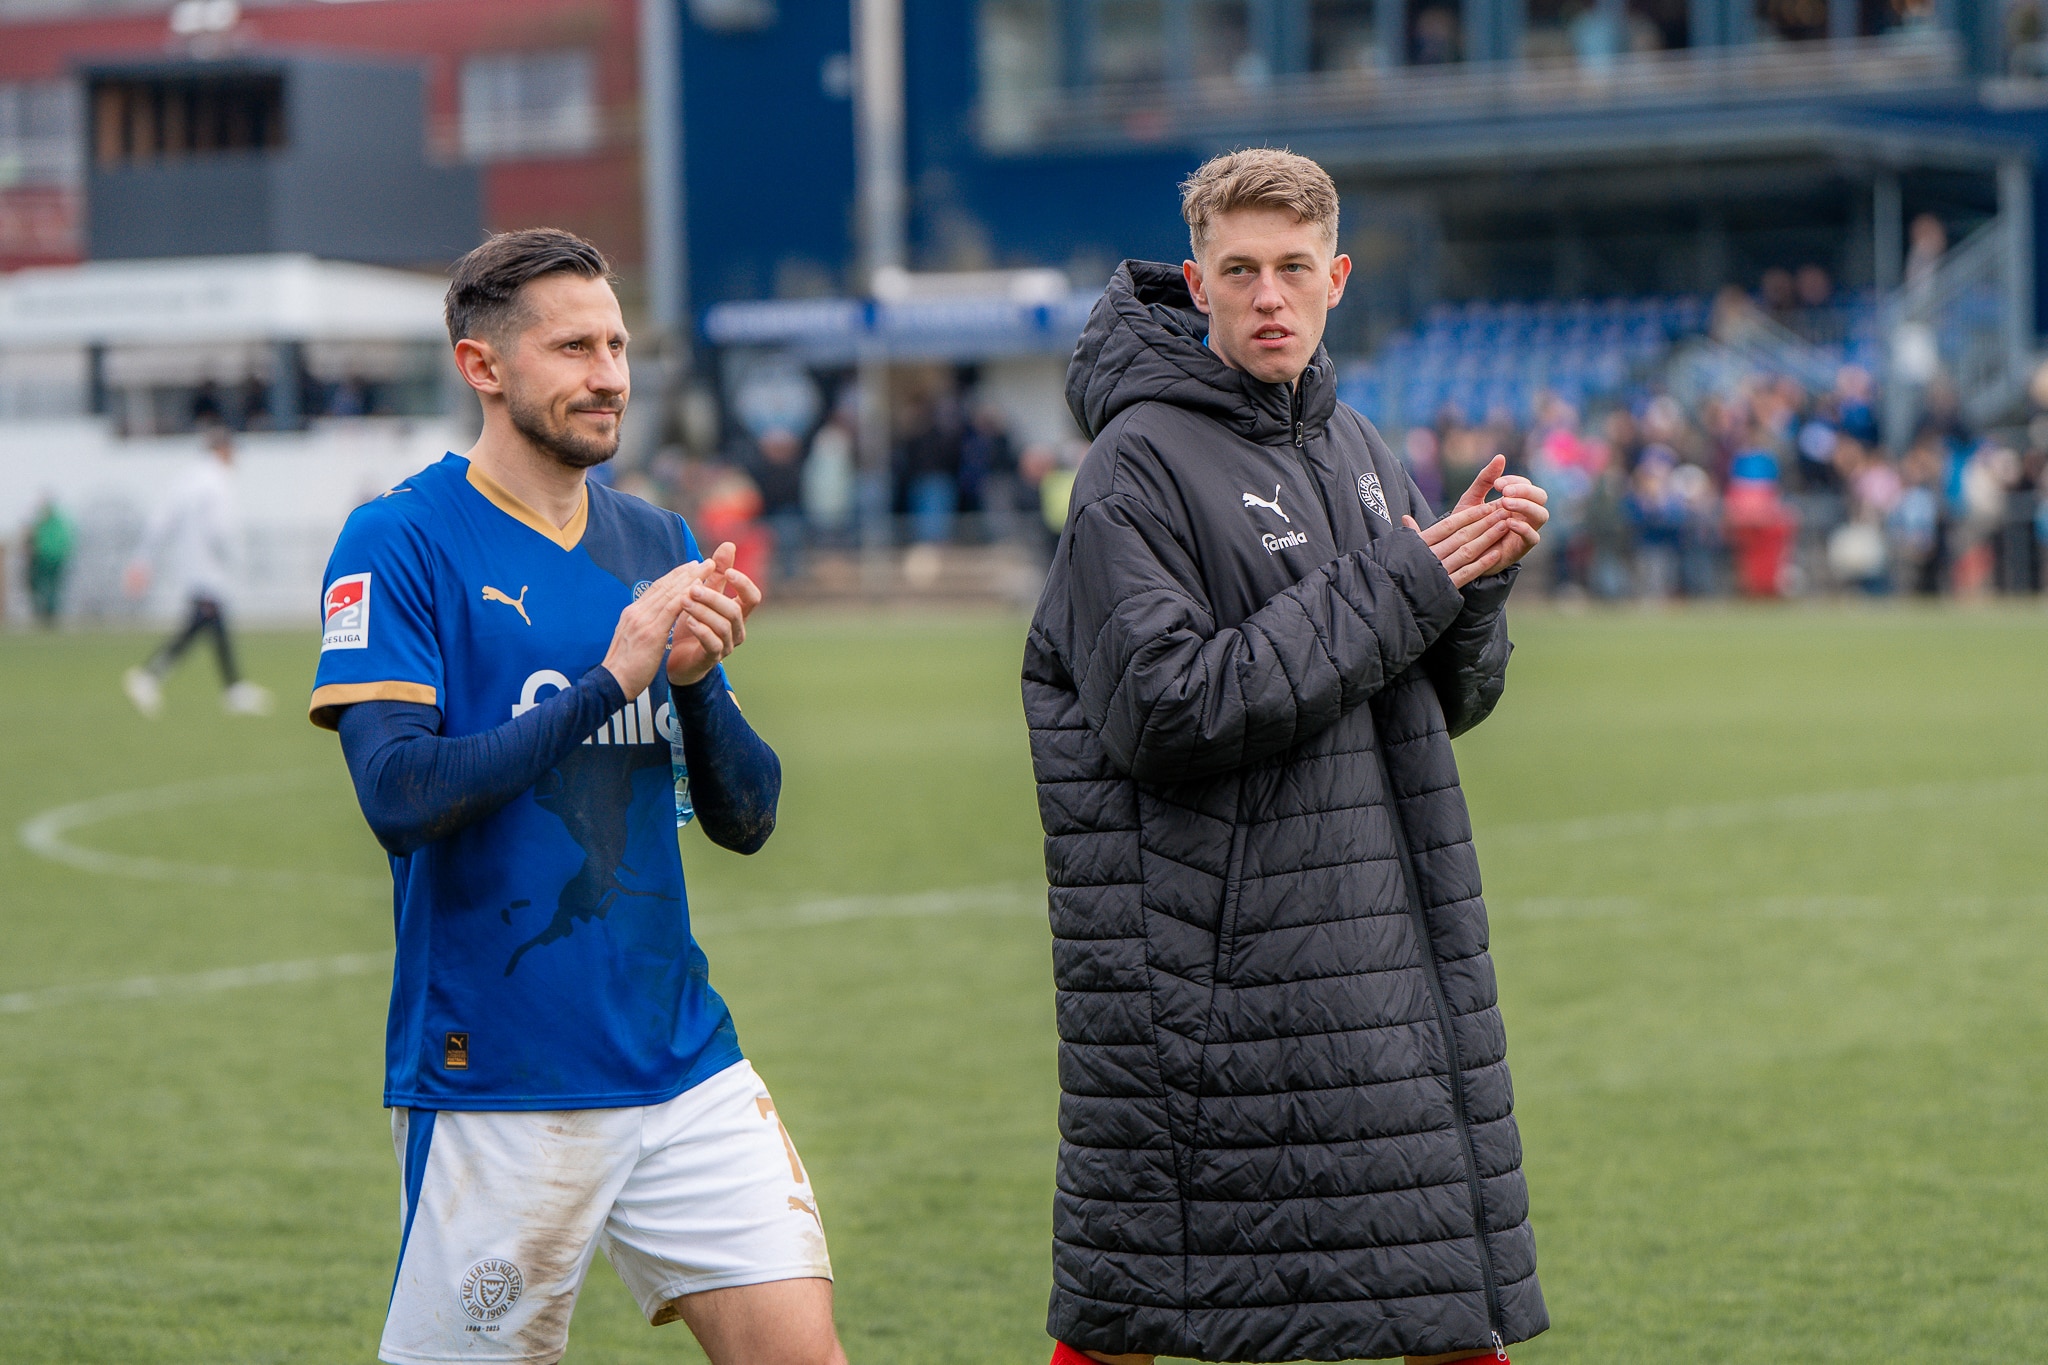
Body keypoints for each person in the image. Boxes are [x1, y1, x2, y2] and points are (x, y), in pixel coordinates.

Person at [1022, 148, 1550, 1365]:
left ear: (1337, 278)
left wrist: (1471, 586)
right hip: (1212, 978)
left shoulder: (1357, 445)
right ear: (1196, 282)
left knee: (1435, 1283)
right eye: (1240, 271)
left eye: (1294, 269)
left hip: (1376, 946)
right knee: (1143, 1295)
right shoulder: (1132, 465)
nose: (1269, 296)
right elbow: (1166, 709)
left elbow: (1438, 702)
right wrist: (1408, 580)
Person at [306, 229, 845, 1365]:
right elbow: (398, 794)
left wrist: (691, 684)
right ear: (482, 365)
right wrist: (611, 680)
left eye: (618, 345)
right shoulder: (399, 540)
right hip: (499, 1076)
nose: (610, 376)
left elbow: (748, 821)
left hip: (683, 1061)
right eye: (573, 349)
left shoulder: (654, 538)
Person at [122, 427, 272, 717]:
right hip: (210, 567)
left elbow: (161, 519)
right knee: (204, 619)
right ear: (223, 450)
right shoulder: (217, 481)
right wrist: (237, 559)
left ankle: (233, 688)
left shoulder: (187, 479)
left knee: (210, 621)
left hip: (190, 565)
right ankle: (149, 676)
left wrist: (143, 558)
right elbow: (220, 529)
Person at [27, 495, 75, 627]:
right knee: (46, 587)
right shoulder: (49, 523)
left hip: (51, 560)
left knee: (51, 588)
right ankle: (45, 614)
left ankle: (49, 614)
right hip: (46, 559)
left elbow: (62, 542)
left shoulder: (48, 523)